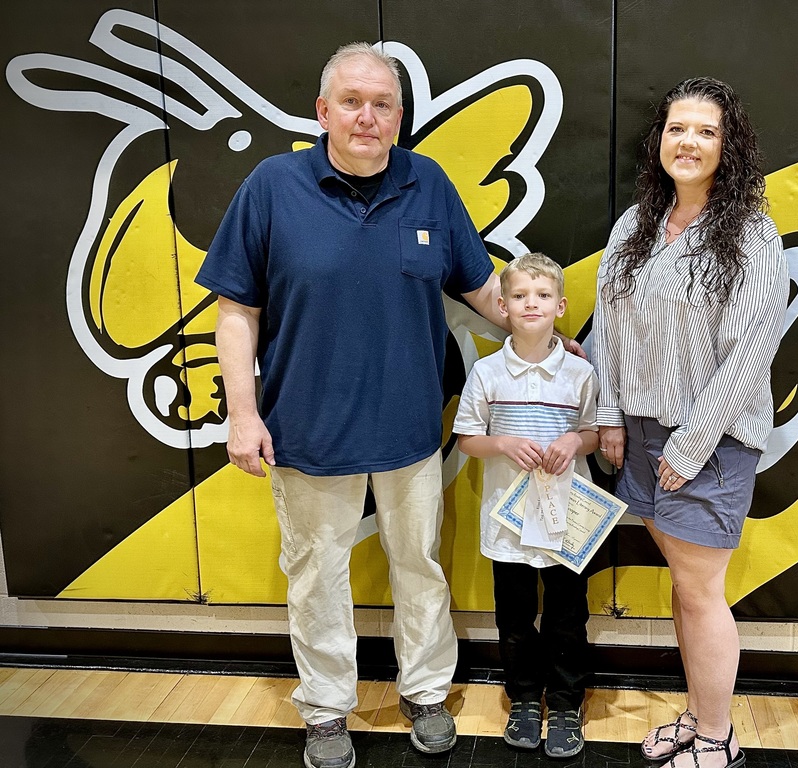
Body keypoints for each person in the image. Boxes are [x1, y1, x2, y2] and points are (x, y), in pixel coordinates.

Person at [196, 42, 516, 768]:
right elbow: (235, 311)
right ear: (323, 111)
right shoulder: (272, 186)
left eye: (382, 104)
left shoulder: (428, 183)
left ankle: (427, 692)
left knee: (419, 566)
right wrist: (242, 416)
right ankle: (326, 711)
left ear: (400, 116)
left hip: (409, 430)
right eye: (352, 102)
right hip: (303, 431)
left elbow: (479, 290)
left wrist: (547, 339)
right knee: (315, 577)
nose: (367, 117)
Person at [592, 77, 789, 768]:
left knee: (701, 593)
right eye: (679, 128)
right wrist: (611, 414)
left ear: (728, 146)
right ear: (660, 141)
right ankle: (699, 714)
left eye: (707, 131)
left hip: (709, 440)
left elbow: (748, 355)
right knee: (683, 584)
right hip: (643, 434)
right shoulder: (636, 226)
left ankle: (718, 738)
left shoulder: (754, 237)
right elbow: (607, 331)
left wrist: (694, 443)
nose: (689, 141)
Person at [453, 254, 599, 759]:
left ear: (560, 305)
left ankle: (563, 702)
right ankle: (523, 700)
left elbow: (595, 434)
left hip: (566, 522)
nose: (530, 304)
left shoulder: (579, 373)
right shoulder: (488, 373)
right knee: (514, 617)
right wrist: (503, 444)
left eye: (541, 296)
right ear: (502, 305)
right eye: (519, 296)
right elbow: (468, 438)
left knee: (566, 615)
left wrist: (573, 444)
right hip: (507, 519)